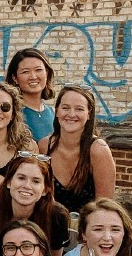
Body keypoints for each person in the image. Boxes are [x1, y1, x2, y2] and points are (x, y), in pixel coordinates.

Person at [40, 85, 116, 215]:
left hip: (86, 228)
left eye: (79, 109)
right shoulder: (43, 146)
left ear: (89, 114)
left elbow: (104, 207)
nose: (71, 114)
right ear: (57, 111)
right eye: (65, 108)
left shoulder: (98, 150)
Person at [5, 46, 56, 143]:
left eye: (38, 70)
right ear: (15, 78)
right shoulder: (10, 114)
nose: (33, 77)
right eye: (25, 72)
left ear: (47, 73)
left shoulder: (54, 113)